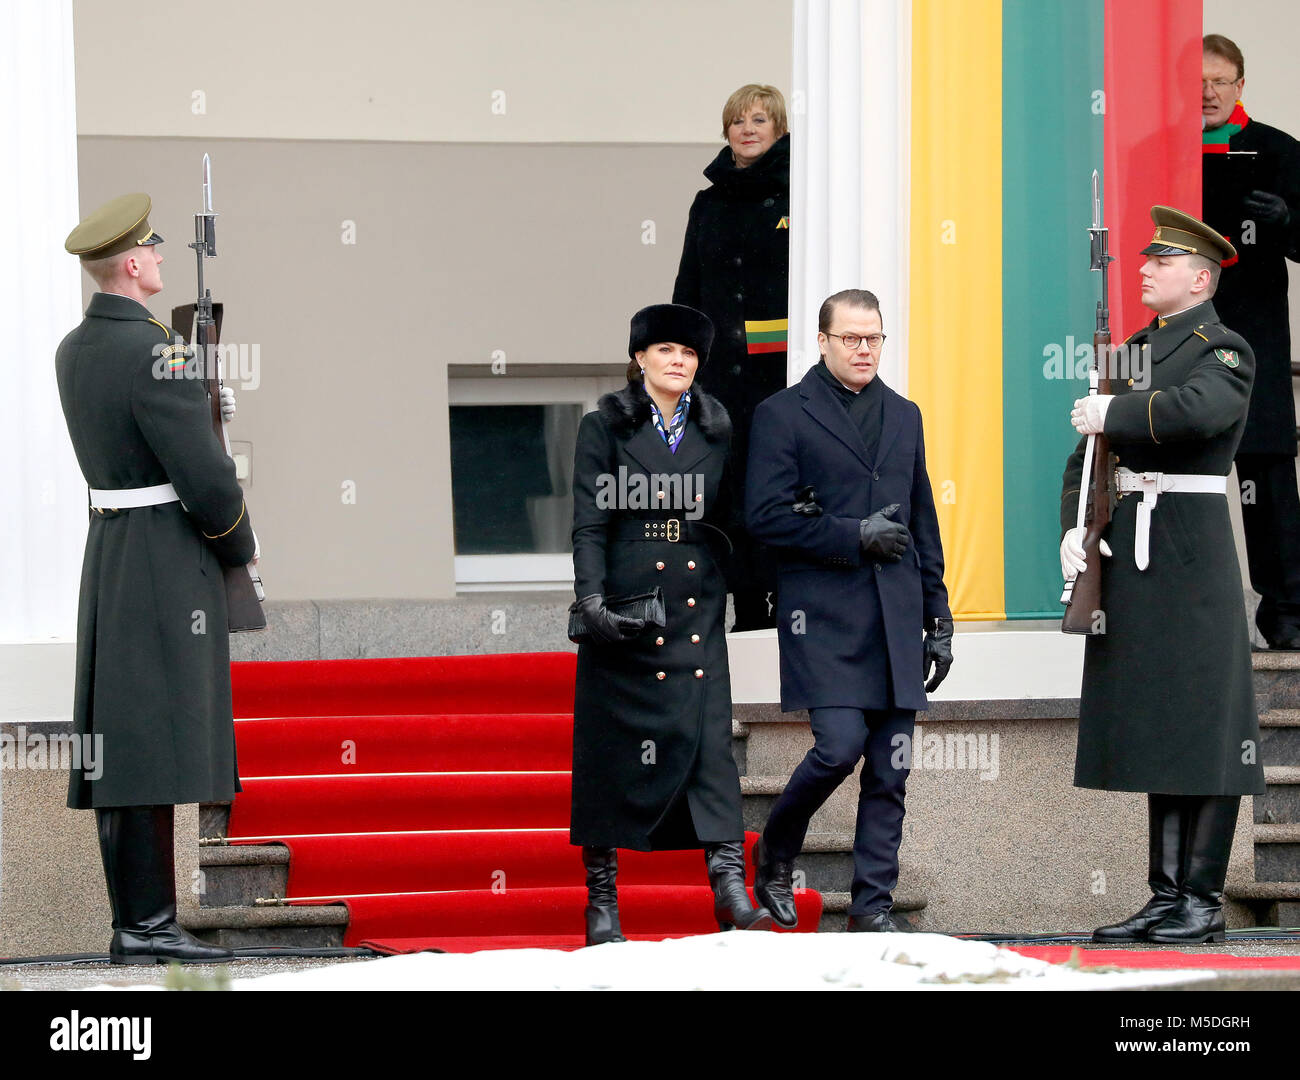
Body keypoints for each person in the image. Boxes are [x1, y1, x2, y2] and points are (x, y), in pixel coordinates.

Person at [56, 192, 257, 964]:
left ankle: (140, 921)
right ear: (133, 264)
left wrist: (199, 403)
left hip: (109, 548)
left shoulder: (75, 349)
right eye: (155, 254)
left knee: (124, 740)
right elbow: (206, 480)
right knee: (153, 739)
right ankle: (145, 927)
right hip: (166, 555)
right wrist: (238, 543)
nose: (163, 263)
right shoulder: (161, 349)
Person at [1061, 206, 1266, 944]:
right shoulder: (1135, 350)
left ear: (1201, 278)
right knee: (1162, 724)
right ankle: (1166, 895)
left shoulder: (1225, 348)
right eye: (1144, 259)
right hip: (1135, 548)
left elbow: (1199, 411)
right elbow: (1088, 457)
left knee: (1207, 724)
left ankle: (1202, 900)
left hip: (1189, 547)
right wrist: (1075, 530)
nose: (1144, 268)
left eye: (1162, 261)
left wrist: (1112, 410)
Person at [744, 289, 953, 933]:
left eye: (875, 338)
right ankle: (776, 853)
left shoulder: (905, 414)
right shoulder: (783, 414)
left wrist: (939, 619)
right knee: (839, 749)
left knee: (890, 771)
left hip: (895, 613)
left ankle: (872, 910)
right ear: (824, 341)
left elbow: (923, 518)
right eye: (852, 338)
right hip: (823, 615)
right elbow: (764, 517)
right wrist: (852, 533)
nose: (865, 349)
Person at [568, 303, 771, 944]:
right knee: (610, 752)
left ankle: (730, 887)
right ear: (639, 359)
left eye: (688, 353)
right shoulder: (603, 424)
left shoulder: (717, 426)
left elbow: (734, 518)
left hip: (696, 599)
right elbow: (590, 522)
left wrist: (750, 595)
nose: (678, 361)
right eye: (664, 351)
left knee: (710, 743)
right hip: (628, 603)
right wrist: (591, 599)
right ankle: (602, 900)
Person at [673, 84, 791, 631]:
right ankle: (745, 608)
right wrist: (677, 356)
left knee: (779, 486)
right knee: (727, 492)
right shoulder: (708, 203)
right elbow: (688, 291)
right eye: (738, 120)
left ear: (779, 129)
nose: (747, 129)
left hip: (779, 378)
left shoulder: (802, 194)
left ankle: (782, 600)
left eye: (760, 119)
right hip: (721, 380)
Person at [1200, 34, 1300, 649]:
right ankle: (1189, 615)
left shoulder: (1278, 150)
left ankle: (1287, 611)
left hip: (1255, 338)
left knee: (1266, 474)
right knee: (1178, 474)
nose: (1207, 93)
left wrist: (1289, 220)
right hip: (1183, 341)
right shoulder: (1154, 150)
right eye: (1195, 82)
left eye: (1220, 80)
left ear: (1240, 86)